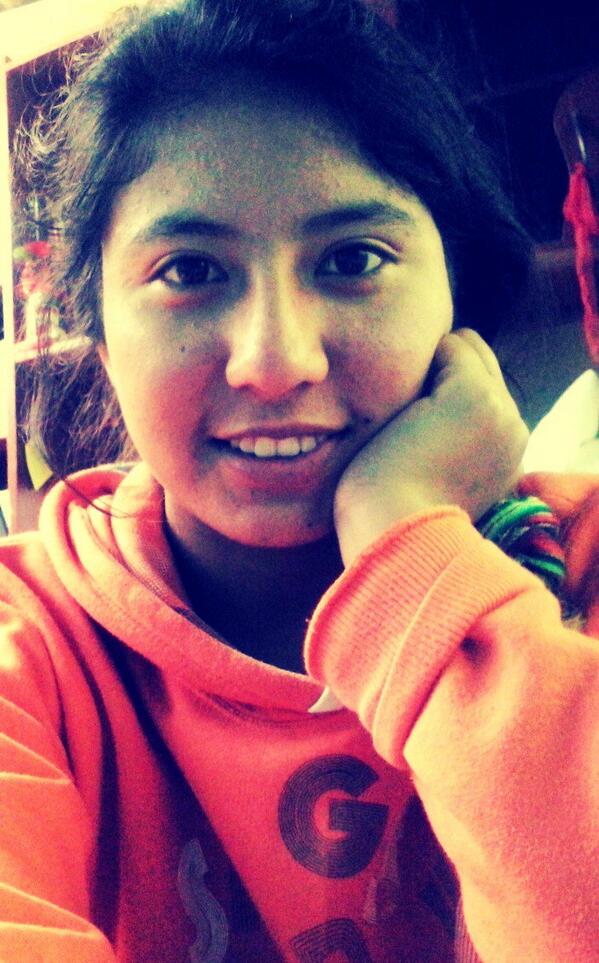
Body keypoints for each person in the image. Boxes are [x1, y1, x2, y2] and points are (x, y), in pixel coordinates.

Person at [1, 0, 597, 960]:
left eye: (352, 259)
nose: (274, 362)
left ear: (457, 300)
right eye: (189, 270)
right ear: (101, 338)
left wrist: (408, 543)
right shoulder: (29, 657)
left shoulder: (581, 569)